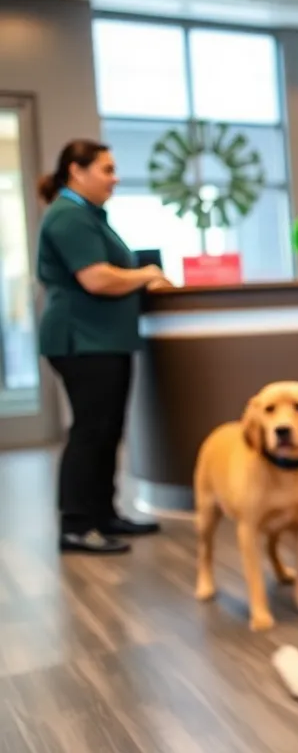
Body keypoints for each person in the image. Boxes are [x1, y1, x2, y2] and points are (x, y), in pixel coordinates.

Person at [35, 139, 174, 555]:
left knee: (107, 430)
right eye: (107, 169)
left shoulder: (86, 215)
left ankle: (104, 513)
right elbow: (96, 278)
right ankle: (76, 525)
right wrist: (148, 273)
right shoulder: (69, 217)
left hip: (103, 339)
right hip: (82, 340)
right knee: (90, 431)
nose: (115, 178)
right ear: (77, 171)